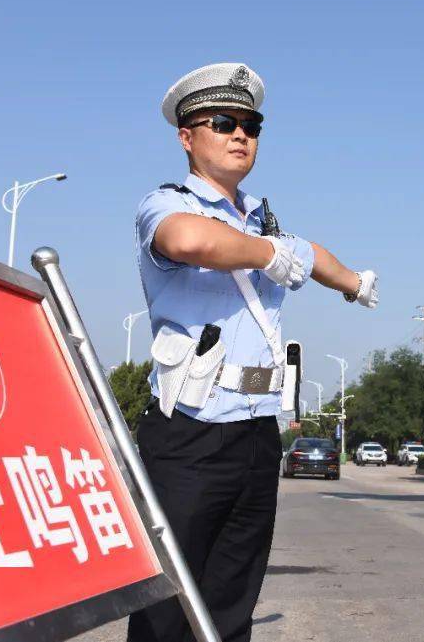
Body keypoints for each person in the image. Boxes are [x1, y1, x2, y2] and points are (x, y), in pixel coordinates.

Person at [127, 63, 378, 642]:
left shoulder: (263, 217)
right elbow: (189, 242)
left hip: (256, 431)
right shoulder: (165, 205)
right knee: (169, 603)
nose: (240, 134)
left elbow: (308, 253)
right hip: (188, 432)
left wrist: (353, 283)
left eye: (250, 124)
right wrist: (266, 254)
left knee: (232, 600)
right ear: (187, 137)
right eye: (222, 122)